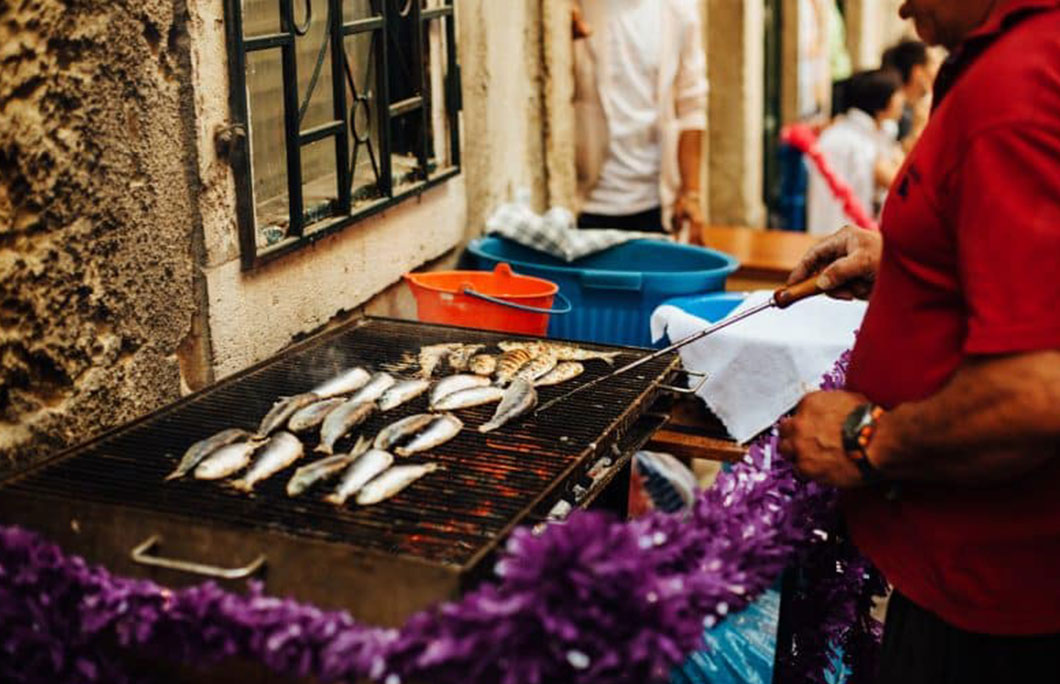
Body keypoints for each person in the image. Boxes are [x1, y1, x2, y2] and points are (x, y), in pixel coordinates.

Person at [778, 1, 1060, 682]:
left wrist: (865, 440)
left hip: (993, 606)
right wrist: (909, 261)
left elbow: (1039, 391)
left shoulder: (1018, 86)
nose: (900, 4)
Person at [571, 0, 708, 243]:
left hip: (653, 204)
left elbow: (692, 106)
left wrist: (691, 195)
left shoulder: (679, 10)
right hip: (585, 202)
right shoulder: (582, 7)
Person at [805, 69, 905, 235]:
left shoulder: (870, 133)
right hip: (838, 233)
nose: (902, 100)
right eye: (897, 94)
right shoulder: (849, 140)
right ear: (881, 102)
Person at [881, 38, 934, 149]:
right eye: (933, 64)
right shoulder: (892, 113)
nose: (936, 71)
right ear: (918, 72)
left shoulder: (912, 109)